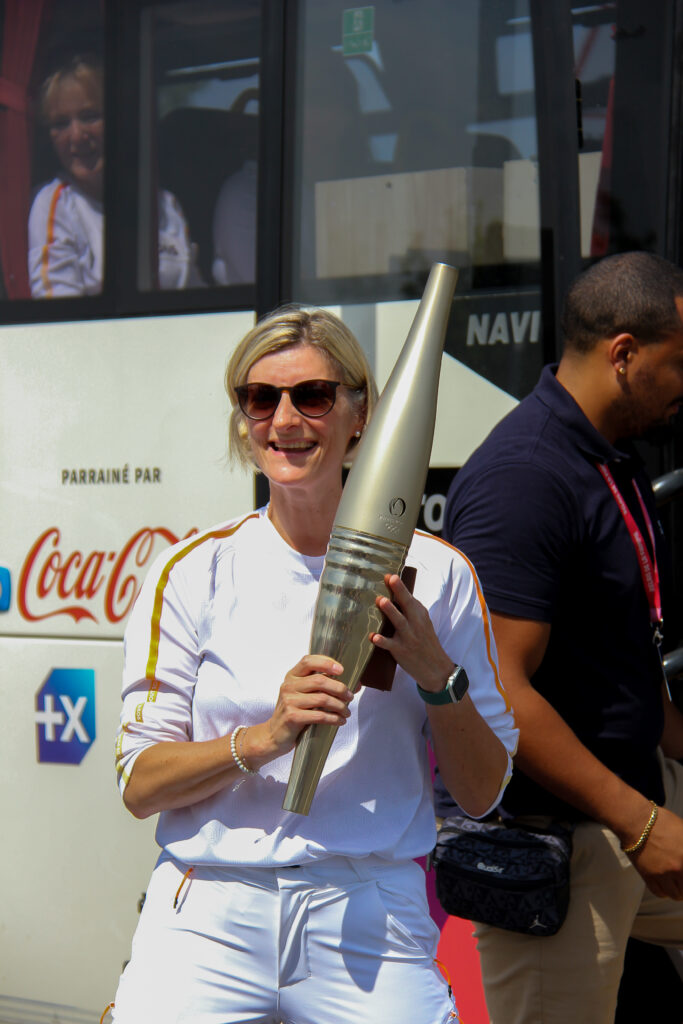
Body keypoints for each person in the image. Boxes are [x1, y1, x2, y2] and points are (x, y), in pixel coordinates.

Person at [111, 305, 518, 1024]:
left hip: (368, 911)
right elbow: (141, 784)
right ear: (243, 419)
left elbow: (483, 793)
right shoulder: (189, 570)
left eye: (313, 396)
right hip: (210, 911)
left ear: (358, 417)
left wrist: (436, 678)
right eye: (260, 398)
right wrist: (265, 738)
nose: (285, 418)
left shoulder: (439, 572)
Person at [440, 251, 683, 1024]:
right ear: (623, 355)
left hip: (630, 807)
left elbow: (622, 662)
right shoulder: (526, 475)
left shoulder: (608, 458)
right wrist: (641, 823)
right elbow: (499, 689)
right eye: (680, 363)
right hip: (563, 845)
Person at [28, 55, 199, 298]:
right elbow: (58, 317)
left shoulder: (165, 204)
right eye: (60, 123)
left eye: (89, 116)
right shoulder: (54, 204)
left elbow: (193, 294)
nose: (76, 136)